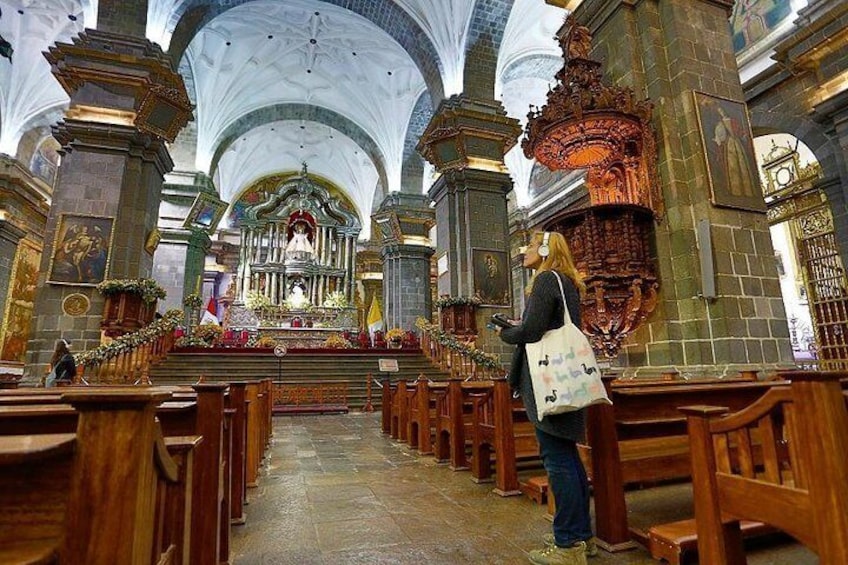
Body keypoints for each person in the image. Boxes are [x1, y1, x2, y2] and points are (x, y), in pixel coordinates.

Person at [494, 231, 595, 565]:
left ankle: (567, 546)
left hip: (548, 380)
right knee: (567, 457)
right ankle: (582, 539)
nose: (523, 252)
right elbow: (544, 325)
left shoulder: (545, 280)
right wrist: (520, 326)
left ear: (544, 249)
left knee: (556, 460)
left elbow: (531, 331)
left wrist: (506, 331)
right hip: (566, 377)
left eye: (529, 245)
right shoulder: (566, 282)